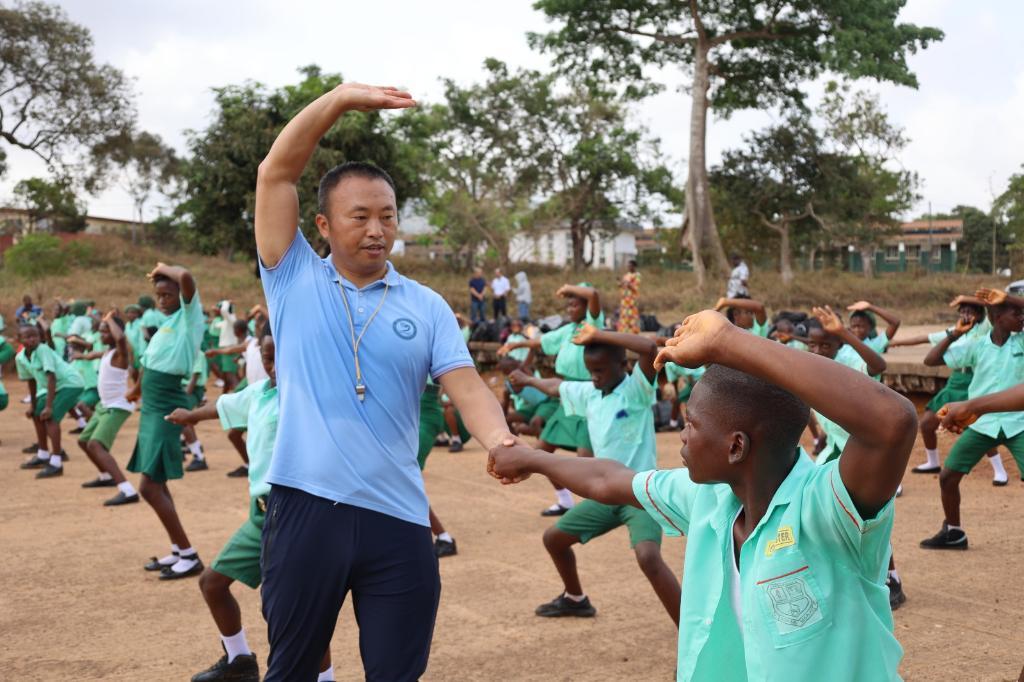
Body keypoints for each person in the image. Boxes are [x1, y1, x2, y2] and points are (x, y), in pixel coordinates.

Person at [488, 309, 917, 682]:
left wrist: (729, 342)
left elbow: (892, 422)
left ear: (736, 447)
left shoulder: (828, 509)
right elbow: (608, 477)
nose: (681, 433)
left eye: (691, 424)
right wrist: (532, 459)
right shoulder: (709, 499)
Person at [254, 82, 516, 681]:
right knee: (291, 670)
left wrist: (500, 443)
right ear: (322, 224)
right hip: (305, 509)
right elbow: (276, 173)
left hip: (399, 519)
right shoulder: (292, 277)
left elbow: (466, 385)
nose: (377, 229)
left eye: (388, 216)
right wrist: (340, 99)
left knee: (397, 675)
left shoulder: (423, 305)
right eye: (360, 216)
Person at [508, 324, 681, 623]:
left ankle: (689, 637)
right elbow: (555, 386)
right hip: (605, 493)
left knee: (649, 558)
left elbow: (648, 348)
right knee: (554, 539)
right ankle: (575, 599)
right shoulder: (590, 392)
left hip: (639, 493)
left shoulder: (637, 391)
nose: (595, 376)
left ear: (622, 366)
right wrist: (527, 380)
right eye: (590, 370)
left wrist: (599, 336)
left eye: (600, 369)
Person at [920, 287, 1024, 550]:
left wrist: (1009, 299)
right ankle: (954, 532)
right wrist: (955, 333)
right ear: (997, 317)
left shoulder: (1022, 340)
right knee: (947, 476)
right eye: (1016, 313)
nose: (1022, 317)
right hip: (981, 423)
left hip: (1018, 423)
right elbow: (931, 360)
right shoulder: (977, 345)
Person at [125, 262, 206, 580]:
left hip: (167, 403)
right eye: (158, 295)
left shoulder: (189, 317)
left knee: (148, 487)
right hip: (150, 405)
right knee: (157, 483)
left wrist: (163, 267)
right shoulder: (167, 323)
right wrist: (135, 389)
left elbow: (186, 277)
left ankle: (188, 554)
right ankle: (178, 550)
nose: (162, 299)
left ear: (180, 296)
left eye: (167, 294)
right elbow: (148, 363)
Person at [498, 283, 603, 516]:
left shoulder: (593, 326)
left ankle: (598, 506)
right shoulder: (567, 331)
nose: (569, 309)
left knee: (585, 460)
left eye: (575, 304)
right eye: (568, 305)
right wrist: (517, 343)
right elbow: (541, 342)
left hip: (587, 395)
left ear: (587, 308)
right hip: (564, 395)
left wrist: (569, 288)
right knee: (541, 452)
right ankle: (565, 500)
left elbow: (593, 294)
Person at [889, 295, 1006, 482]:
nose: (966, 314)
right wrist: (895, 343)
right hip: (955, 381)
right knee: (927, 423)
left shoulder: (986, 329)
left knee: (977, 427)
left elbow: (988, 308)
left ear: (979, 314)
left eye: (970, 311)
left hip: (974, 381)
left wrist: (965, 298)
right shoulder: (955, 330)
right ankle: (932, 461)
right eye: (962, 311)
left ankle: (1000, 471)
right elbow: (924, 338)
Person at [77, 311, 139, 506]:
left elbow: (120, 337)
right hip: (104, 406)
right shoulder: (108, 353)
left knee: (96, 445)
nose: (102, 335)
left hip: (118, 406)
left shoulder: (121, 353)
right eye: (101, 331)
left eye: (106, 331)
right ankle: (106, 476)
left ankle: (128, 491)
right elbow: (96, 353)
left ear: (115, 332)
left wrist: (109, 319)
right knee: (84, 441)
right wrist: (84, 356)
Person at [16, 320, 84, 478]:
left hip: (70, 383)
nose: (32, 339)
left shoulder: (43, 349)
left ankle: (56, 462)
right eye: (27, 336)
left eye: (35, 336)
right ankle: (43, 454)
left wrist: (49, 406)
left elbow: (51, 377)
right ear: (19, 339)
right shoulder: (20, 358)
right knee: (36, 414)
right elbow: (31, 381)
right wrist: (33, 406)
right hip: (53, 387)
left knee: (50, 417)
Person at [616, 260, 641, 334]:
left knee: (632, 316)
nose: (629, 267)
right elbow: (622, 286)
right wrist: (620, 282)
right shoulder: (626, 275)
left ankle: (633, 332)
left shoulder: (637, 275)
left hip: (632, 299)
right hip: (625, 300)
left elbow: (635, 287)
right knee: (624, 316)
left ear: (634, 266)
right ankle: (624, 332)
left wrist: (628, 283)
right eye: (628, 266)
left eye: (630, 266)